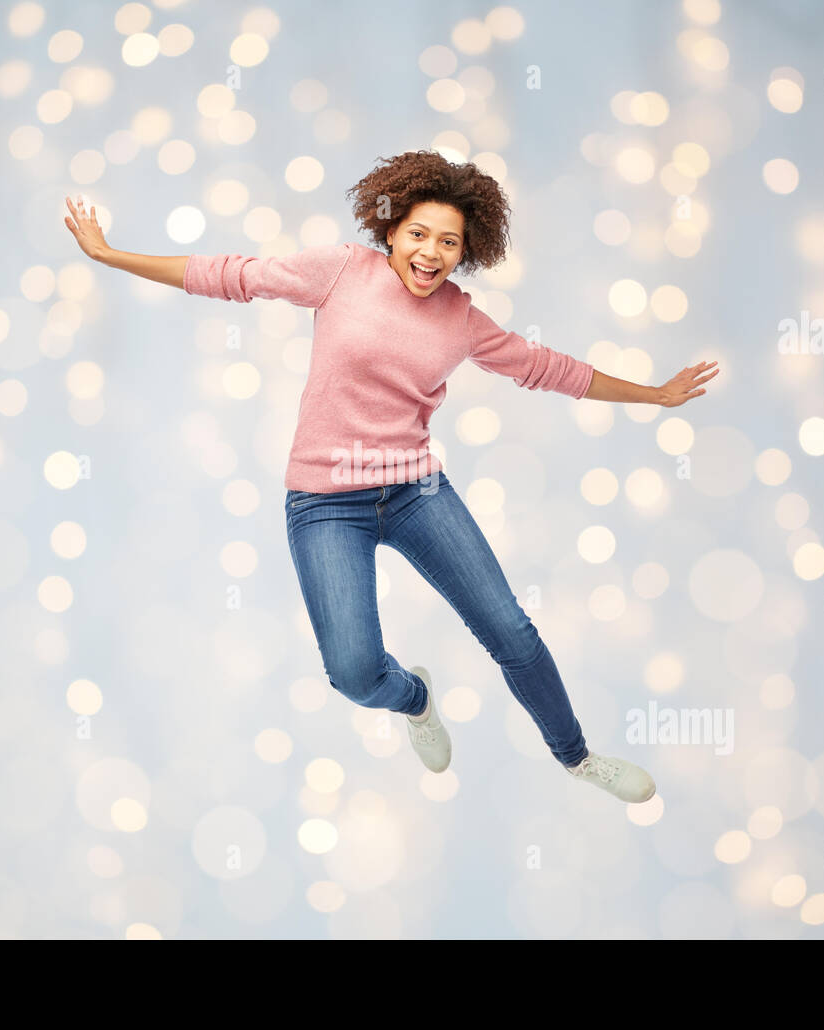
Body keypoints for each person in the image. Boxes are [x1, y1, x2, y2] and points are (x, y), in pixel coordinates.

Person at [63, 149, 718, 804]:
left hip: (414, 494)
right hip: (325, 505)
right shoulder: (342, 272)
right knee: (352, 672)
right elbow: (230, 275)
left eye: (449, 242)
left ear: (468, 252)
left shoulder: (462, 320)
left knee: (510, 630)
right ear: (392, 229)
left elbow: (548, 368)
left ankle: (578, 759)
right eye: (418, 234)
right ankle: (415, 699)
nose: (431, 253)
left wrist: (655, 395)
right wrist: (110, 255)